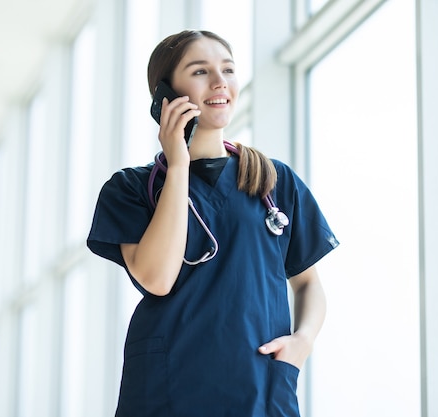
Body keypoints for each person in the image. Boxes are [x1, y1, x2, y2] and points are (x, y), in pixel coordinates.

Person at [87, 29, 339, 417]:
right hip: (168, 387)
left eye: (228, 70)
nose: (221, 82)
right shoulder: (131, 188)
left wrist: (302, 342)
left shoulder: (273, 180)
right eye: (201, 71)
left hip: (260, 384)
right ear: (164, 94)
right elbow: (157, 278)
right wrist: (178, 165)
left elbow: (308, 284)